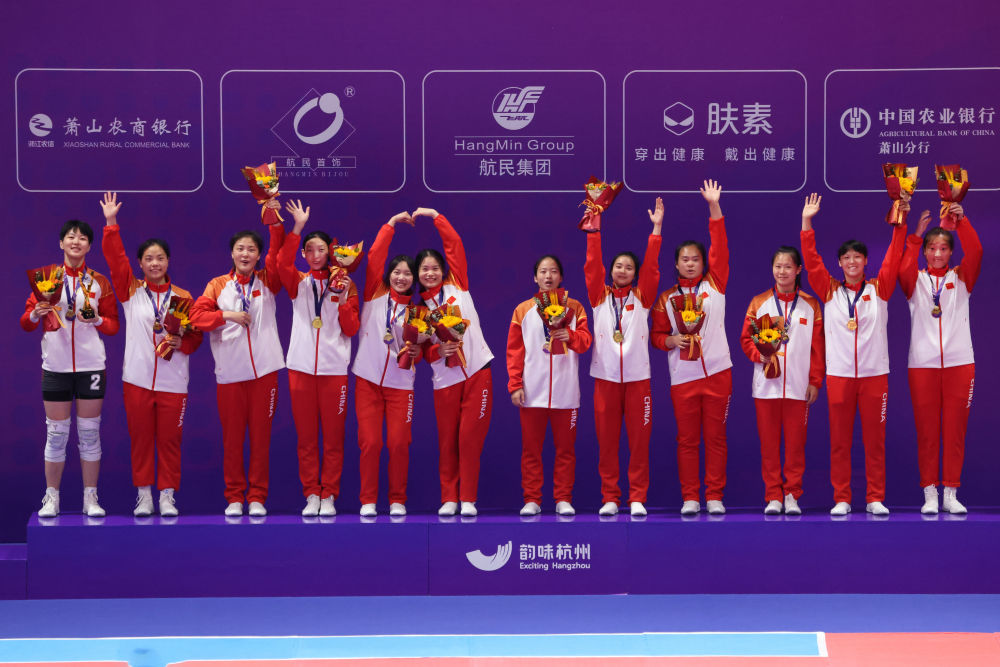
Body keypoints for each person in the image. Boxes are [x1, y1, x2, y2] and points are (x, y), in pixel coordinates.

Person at [800, 192, 907, 516]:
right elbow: (811, 262)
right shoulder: (829, 291)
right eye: (846, 258)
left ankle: (875, 497)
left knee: (875, 441)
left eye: (857, 257)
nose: (851, 262)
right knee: (840, 442)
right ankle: (842, 498)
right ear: (840, 263)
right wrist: (806, 222)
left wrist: (900, 222)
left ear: (865, 261)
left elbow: (894, 257)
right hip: (840, 376)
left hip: (875, 376)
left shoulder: (880, 289)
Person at [100, 192, 203, 517]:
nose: (155, 263)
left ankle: (167, 496)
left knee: (170, 440)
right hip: (138, 379)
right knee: (141, 439)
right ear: (141, 264)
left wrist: (183, 343)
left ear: (168, 261)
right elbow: (116, 262)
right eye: (148, 258)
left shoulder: (184, 297)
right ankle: (144, 495)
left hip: (174, 381)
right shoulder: (131, 291)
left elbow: (197, 337)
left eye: (160, 258)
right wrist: (111, 224)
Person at [190, 203, 285, 517]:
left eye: (251, 249)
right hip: (230, 375)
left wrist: (274, 218)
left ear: (258, 256)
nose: (245, 254)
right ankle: (234, 496)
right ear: (232, 253)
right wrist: (227, 315)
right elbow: (196, 318)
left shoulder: (268, 281)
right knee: (232, 440)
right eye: (240, 249)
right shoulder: (217, 285)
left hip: (265, 374)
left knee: (261, 440)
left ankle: (256, 497)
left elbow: (278, 252)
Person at [21, 217, 119, 517]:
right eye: (71, 237)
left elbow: (113, 325)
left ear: (89, 246)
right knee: (56, 434)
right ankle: (52, 498)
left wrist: (97, 320)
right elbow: (26, 322)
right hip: (56, 367)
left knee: (89, 434)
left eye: (82, 238)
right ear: (61, 243)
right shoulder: (47, 279)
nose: (76, 242)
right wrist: (36, 313)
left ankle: (91, 498)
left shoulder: (99, 281)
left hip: (91, 367)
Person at [651, 180, 732, 515]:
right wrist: (671, 340)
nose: (690, 264)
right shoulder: (666, 298)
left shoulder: (716, 284)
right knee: (687, 440)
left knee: (715, 438)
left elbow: (720, 246)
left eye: (696, 259)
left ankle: (714, 496)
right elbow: (656, 336)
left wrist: (714, 206)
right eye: (684, 260)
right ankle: (690, 497)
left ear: (704, 263)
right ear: (676, 264)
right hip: (683, 377)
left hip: (718, 373)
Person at [410, 207, 494, 517]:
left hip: (477, 372)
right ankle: (449, 497)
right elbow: (421, 353)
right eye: (424, 269)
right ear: (417, 274)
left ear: (443, 269)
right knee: (448, 442)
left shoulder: (457, 284)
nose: (430, 273)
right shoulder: (418, 311)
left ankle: (468, 498)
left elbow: (454, 244)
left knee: (469, 440)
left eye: (434, 268)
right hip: (445, 380)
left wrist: (436, 216)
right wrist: (438, 352)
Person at [278, 200, 360, 517]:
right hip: (300, 369)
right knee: (307, 440)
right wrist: (297, 227)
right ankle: (312, 493)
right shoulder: (298, 283)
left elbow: (351, 329)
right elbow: (281, 262)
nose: (315, 255)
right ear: (303, 254)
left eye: (321, 250)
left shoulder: (346, 285)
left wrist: (343, 297)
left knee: (334, 440)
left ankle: (330, 495)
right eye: (309, 250)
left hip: (334, 371)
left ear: (330, 253)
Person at [899, 203, 981, 515]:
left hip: (960, 364)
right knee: (927, 432)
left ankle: (951, 492)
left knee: (955, 431)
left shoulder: (962, 279)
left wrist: (962, 221)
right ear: (925, 252)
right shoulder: (915, 281)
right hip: (922, 366)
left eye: (943, 248)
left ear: (950, 252)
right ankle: (930, 493)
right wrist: (916, 236)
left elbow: (976, 252)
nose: (937, 254)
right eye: (932, 248)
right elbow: (902, 269)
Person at [583, 198, 662, 516]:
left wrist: (656, 230)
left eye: (629, 267)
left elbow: (652, 267)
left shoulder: (643, 297)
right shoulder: (598, 296)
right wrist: (594, 230)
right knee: (607, 442)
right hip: (605, 379)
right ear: (611, 270)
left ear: (635, 274)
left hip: (638, 379)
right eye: (619, 266)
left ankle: (637, 497)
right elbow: (592, 265)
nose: (623, 270)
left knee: (639, 442)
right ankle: (610, 497)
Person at [740, 245, 824, 515]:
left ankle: (792, 495)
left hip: (799, 387)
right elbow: (746, 339)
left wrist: (815, 381)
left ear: (798, 270)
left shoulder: (811, 305)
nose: (782, 271)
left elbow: (818, 348)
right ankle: (773, 496)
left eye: (788, 266)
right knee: (769, 445)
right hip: (766, 387)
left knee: (796, 446)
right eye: (778, 266)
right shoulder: (759, 302)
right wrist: (758, 355)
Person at [507, 254, 592, 516]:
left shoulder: (575, 307)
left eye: (553, 271)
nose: (548, 276)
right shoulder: (523, 310)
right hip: (532, 391)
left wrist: (571, 336)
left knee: (565, 450)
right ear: (535, 277)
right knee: (531, 450)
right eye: (543, 271)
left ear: (561, 276)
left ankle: (563, 498)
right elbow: (515, 351)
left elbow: (586, 342)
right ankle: (532, 499)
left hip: (566, 391)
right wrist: (515, 384)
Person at [351, 212, 421, 517]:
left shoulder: (418, 312)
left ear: (413, 279)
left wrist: (418, 350)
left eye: (407, 274)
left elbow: (422, 350)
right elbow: (375, 256)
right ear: (389, 274)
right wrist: (390, 224)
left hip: (400, 385)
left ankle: (397, 500)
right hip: (367, 380)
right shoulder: (374, 294)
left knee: (399, 443)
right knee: (370, 442)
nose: (401, 277)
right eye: (396, 272)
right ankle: (368, 500)